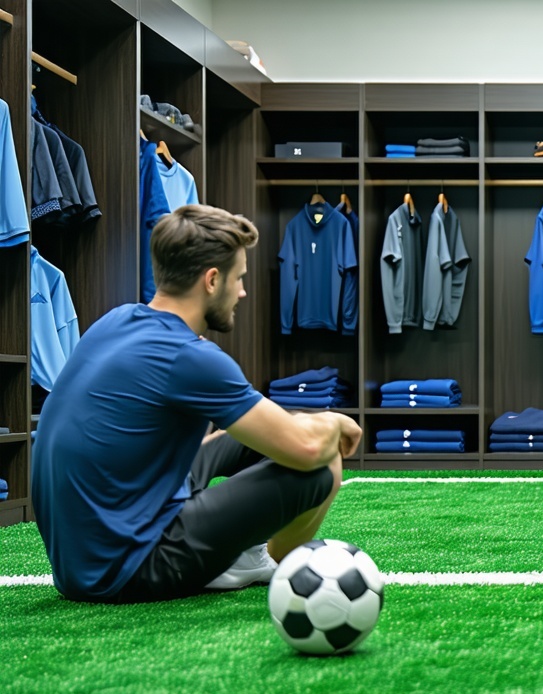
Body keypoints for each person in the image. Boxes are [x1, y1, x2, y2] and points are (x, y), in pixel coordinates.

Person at [32, 204, 363, 603]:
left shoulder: (116, 321)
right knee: (321, 461)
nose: (242, 291)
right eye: (238, 278)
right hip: (129, 567)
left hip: (81, 561)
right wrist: (332, 423)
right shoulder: (190, 356)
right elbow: (307, 448)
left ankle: (243, 550)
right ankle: (273, 568)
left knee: (276, 428)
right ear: (211, 280)